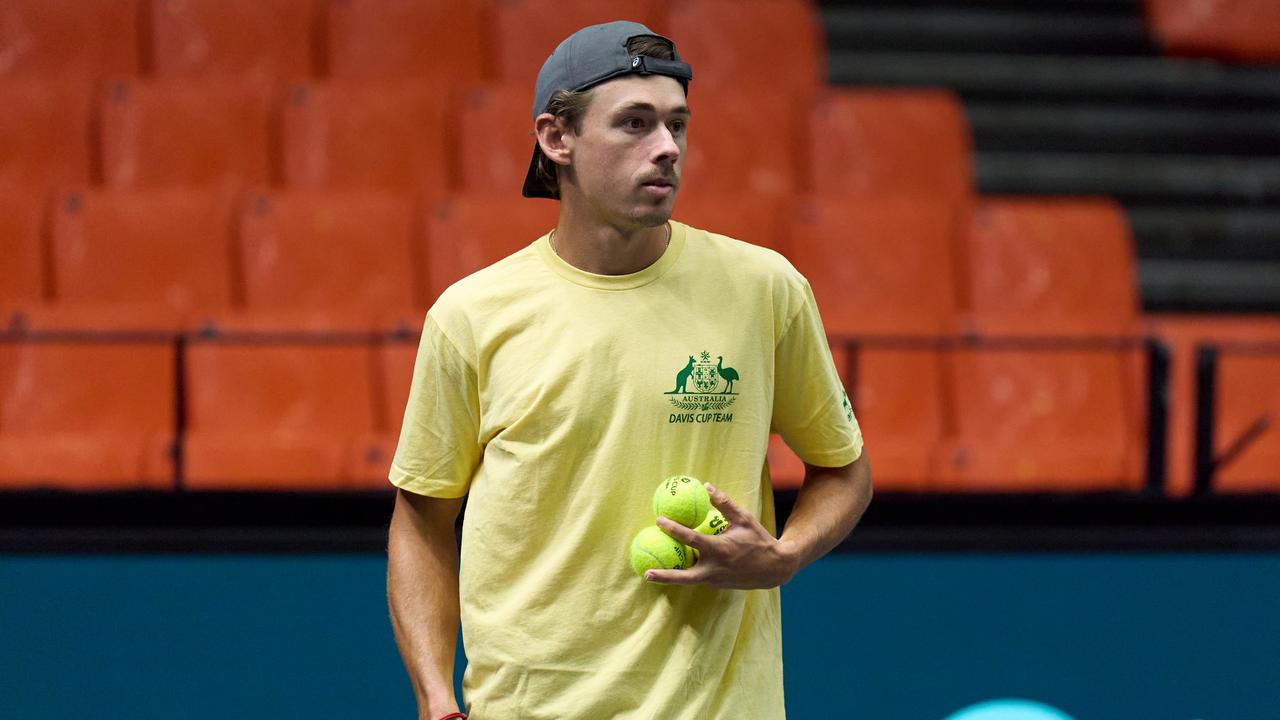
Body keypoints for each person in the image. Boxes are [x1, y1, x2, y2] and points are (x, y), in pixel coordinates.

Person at [386, 20, 872, 720]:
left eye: (677, 125)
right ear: (557, 140)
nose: (667, 148)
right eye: (635, 124)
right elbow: (423, 521)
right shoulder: (471, 317)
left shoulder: (765, 290)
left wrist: (786, 553)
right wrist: (434, 695)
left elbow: (845, 468)